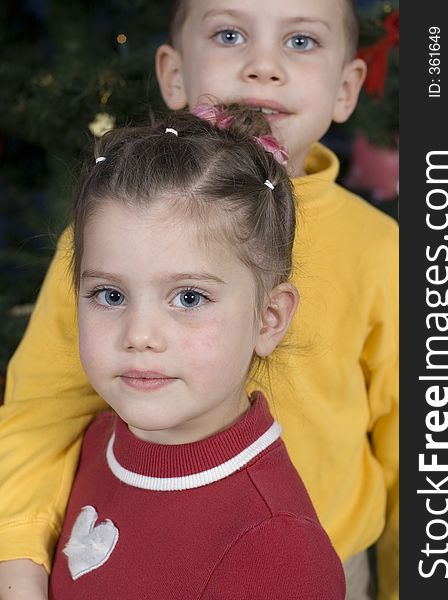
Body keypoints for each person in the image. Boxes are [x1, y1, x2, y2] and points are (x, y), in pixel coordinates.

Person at [0, 1, 398, 599]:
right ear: (175, 75)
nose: (263, 66)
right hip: (122, 549)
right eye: (230, 33)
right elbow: (43, 411)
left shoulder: (382, 251)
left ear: (346, 89)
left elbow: (424, 445)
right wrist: (20, 560)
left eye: (301, 42)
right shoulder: (104, 232)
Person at [44, 105, 345, 599]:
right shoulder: (96, 437)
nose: (139, 335)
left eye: (189, 297)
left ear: (268, 319)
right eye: (110, 295)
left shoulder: (277, 553)